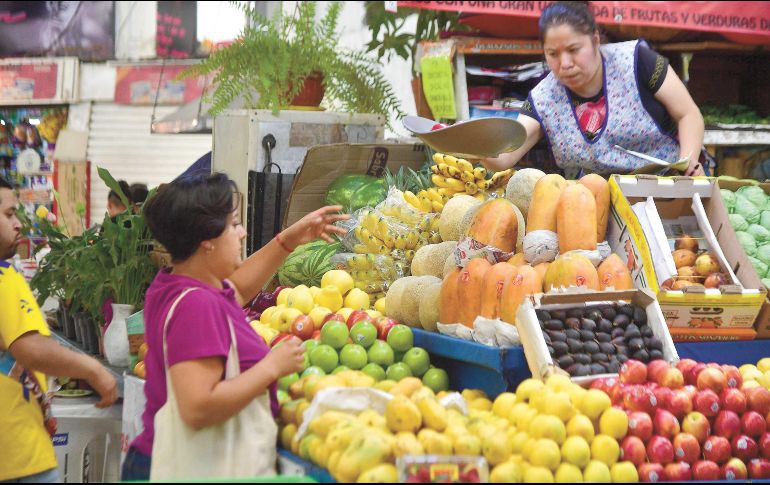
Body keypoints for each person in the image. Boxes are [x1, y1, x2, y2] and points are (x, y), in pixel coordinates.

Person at [121, 172, 349, 481]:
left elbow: (237, 290)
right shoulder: (196, 305)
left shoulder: (180, 284)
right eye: (235, 224)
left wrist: (288, 240)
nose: (241, 234)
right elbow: (197, 407)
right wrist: (271, 367)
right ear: (207, 241)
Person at [483, 1, 706, 177]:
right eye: (553, 54)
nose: (565, 63)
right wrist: (470, 142)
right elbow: (504, 157)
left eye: (573, 49)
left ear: (595, 40)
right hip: (596, 203)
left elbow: (688, 114)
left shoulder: (638, 61)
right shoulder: (543, 98)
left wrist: (688, 163)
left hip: (668, 189)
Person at [0, 176, 118, 483]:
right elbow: (30, 348)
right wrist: (93, 369)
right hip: (18, 453)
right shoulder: (3, 280)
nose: (18, 225)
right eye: (9, 214)